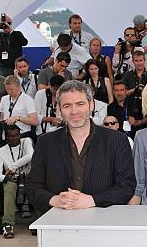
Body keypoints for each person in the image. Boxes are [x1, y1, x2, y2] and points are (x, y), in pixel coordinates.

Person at [26, 81, 136, 213]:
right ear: (59, 110)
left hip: (104, 220)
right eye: (67, 106)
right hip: (58, 220)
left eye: (80, 104)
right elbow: (32, 186)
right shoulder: (45, 142)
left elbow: (127, 186)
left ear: (91, 105)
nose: (74, 111)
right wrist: (55, 200)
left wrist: (92, 200)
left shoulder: (117, 140)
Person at [0, 125, 34, 238]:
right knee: (9, 187)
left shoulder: (26, 141)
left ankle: (37, 222)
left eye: (16, 135)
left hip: (29, 176)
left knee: (37, 187)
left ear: (20, 135)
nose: (14, 138)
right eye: (10, 136)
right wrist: (7, 177)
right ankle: (8, 224)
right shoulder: (1, 151)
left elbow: (30, 156)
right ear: (6, 137)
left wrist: (12, 167)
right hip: (13, 177)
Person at [122, 51, 147, 137]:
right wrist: (134, 89)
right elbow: (122, 94)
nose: (139, 63)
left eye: (141, 60)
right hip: (131, 109)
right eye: (136, 61)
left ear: (144, 60)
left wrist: (145, 90)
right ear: (133, 61)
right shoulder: (127, 75)